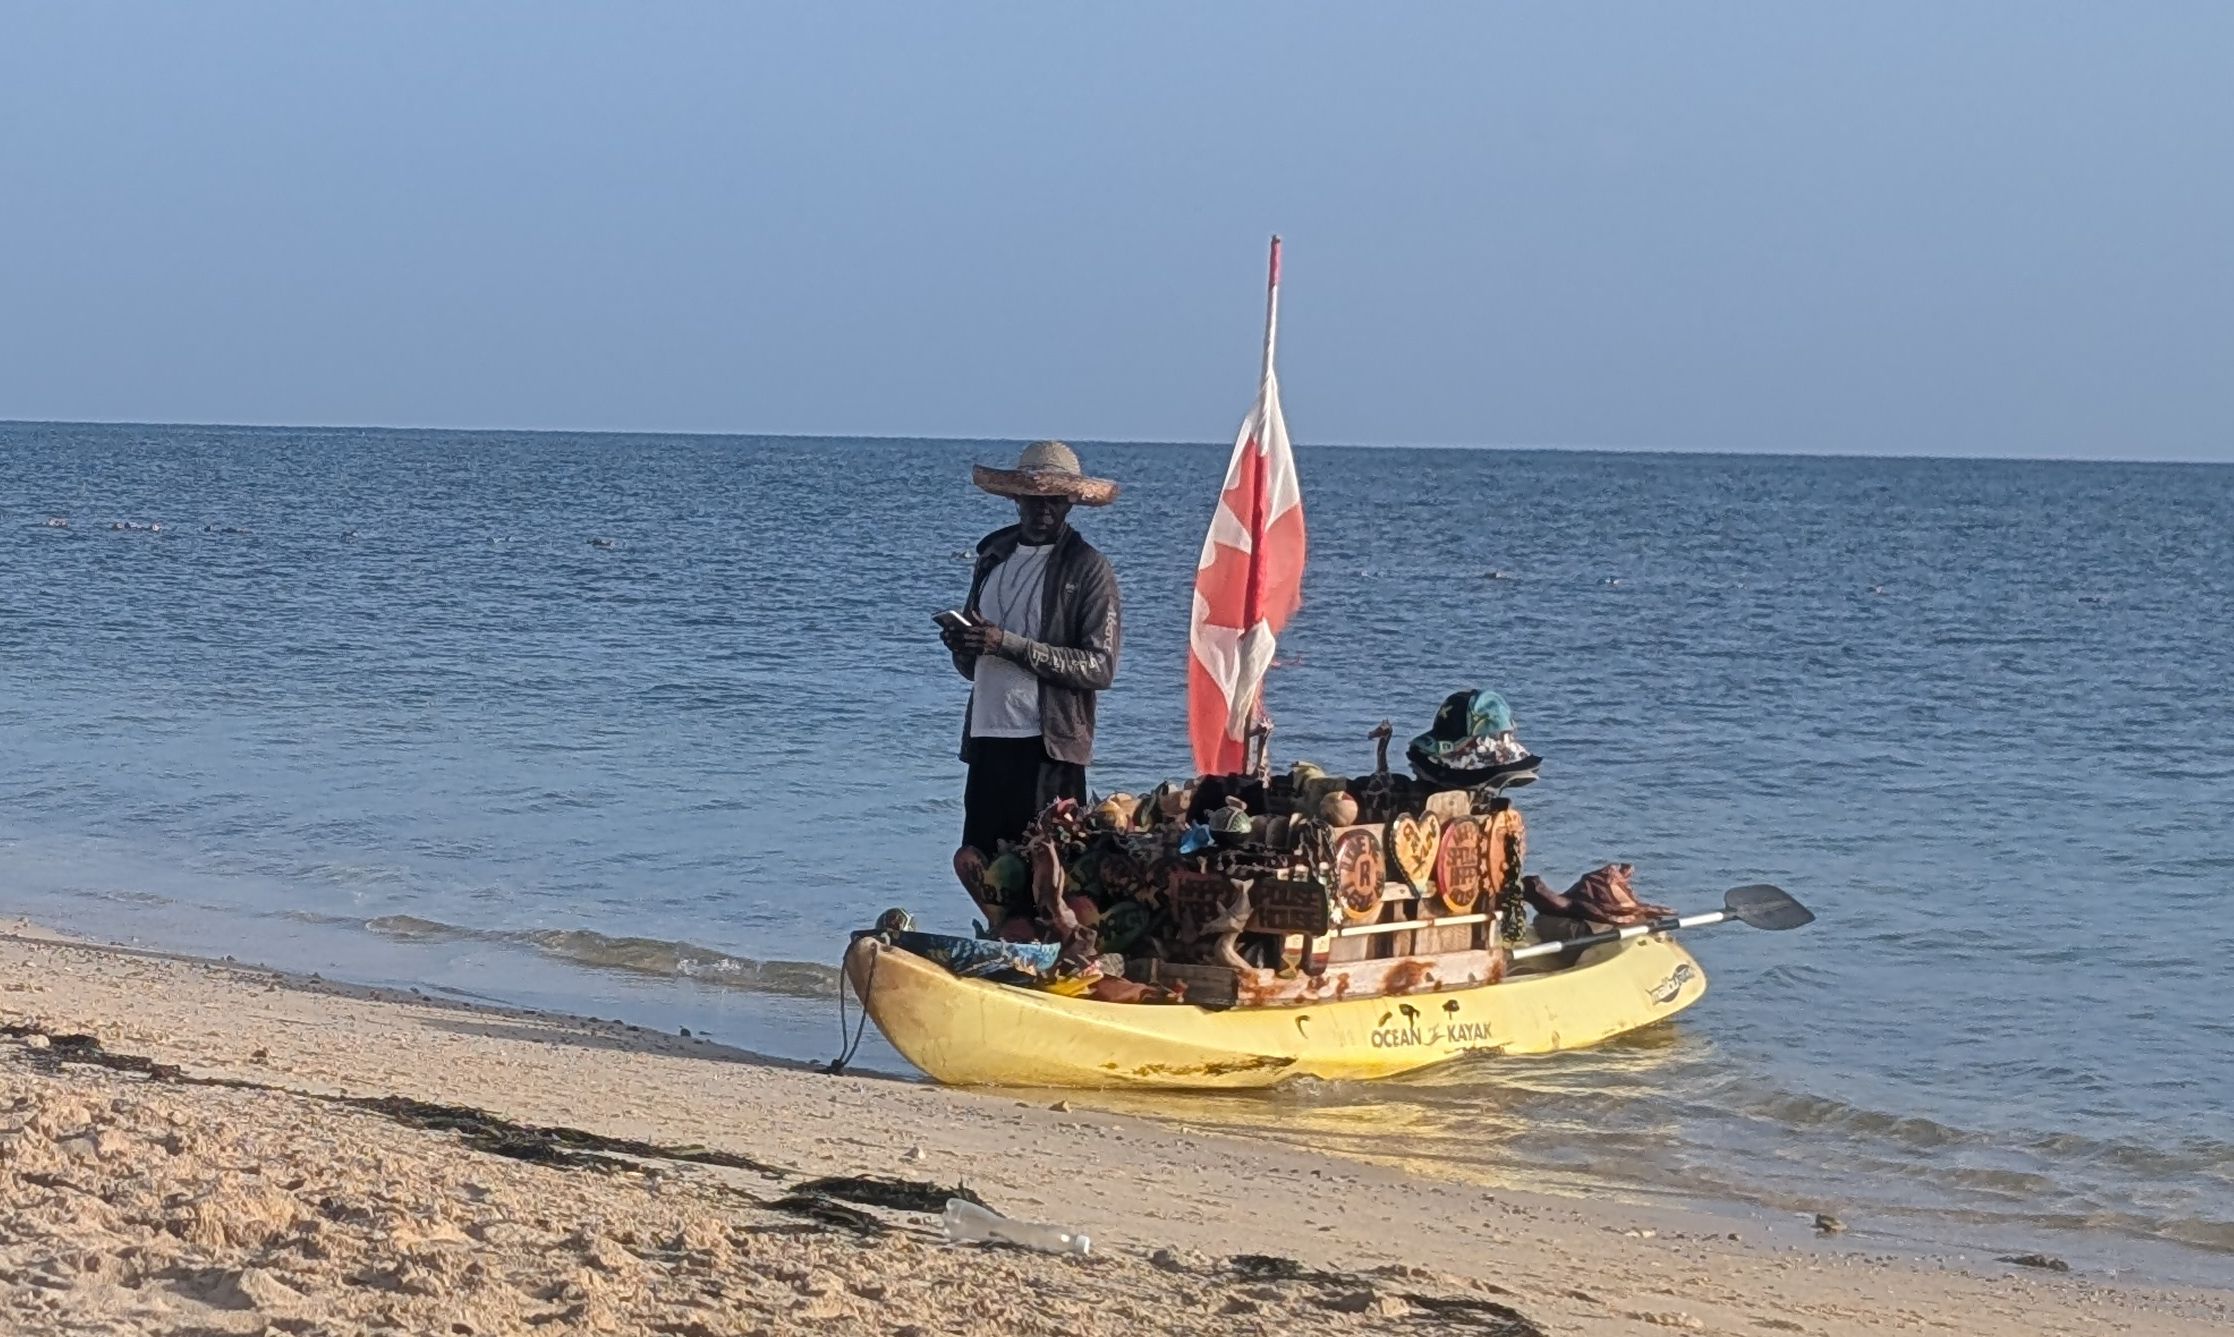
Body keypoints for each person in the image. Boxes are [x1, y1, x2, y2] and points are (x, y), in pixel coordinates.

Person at [942, 440, 1122, 903]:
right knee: (986, 873)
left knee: (1049, 877)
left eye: (1055, 499)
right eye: (1035, 497)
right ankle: (996, 942)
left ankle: (1053, 942)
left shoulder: (1088, 568)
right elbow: (975, 665)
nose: (1044, 509)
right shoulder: (992, 557)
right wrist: (964, 647)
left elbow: (1100, 667)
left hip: (1048, 744)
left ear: (1070, 503)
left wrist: (1007, 644)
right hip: (987, 735)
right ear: (1016, 498)